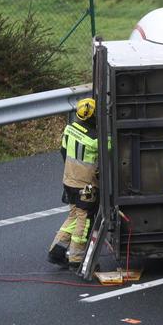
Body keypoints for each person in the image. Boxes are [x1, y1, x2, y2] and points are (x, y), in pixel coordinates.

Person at [48, 98, 102, 271]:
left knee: (74, 215)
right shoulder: (95, 139)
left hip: (69, 181)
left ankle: (56, 251)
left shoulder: (69, 128)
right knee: (84, 219)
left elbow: (63, 151)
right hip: (86, 185)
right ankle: (77, 259)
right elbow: (111, 149)